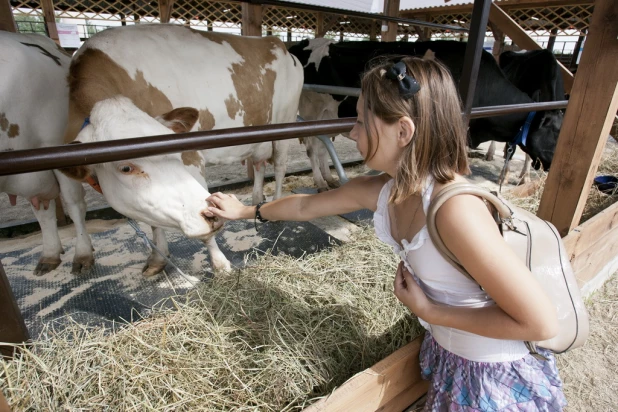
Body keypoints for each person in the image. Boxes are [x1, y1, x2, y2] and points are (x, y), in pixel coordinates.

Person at [205, 56, 567, 411]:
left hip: (491, 377)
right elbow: (304, 207)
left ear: (403, 131)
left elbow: (538, 322)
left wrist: (430, 311)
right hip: (452, 356)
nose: (351, 132)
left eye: (362, 121)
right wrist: (245, 211)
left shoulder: (455, 211)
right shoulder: (385, 189)